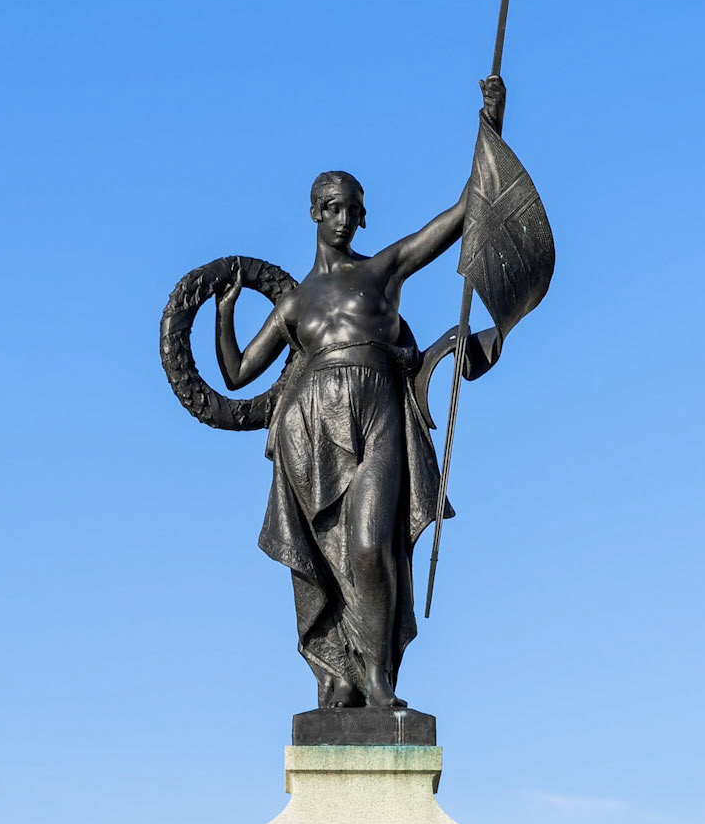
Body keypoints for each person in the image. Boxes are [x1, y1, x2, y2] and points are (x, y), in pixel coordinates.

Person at [214, 77, 507, 710]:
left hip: (377, 407)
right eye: (334, 207)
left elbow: (462, 215)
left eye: (354, 208)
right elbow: (238, 375)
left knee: (373, 544)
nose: (345, 218)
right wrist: (224, 313)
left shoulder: (382, 272)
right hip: (310, 423)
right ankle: (339, 670)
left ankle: (377, 678)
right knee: (327, 557)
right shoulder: (293, 304)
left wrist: (491, 128)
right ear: (315, 211)